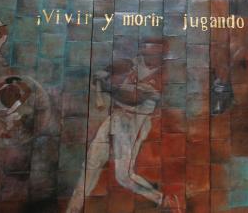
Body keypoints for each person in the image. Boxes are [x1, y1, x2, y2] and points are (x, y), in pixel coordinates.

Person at [66, 56, 179, 212]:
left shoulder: (156, 81)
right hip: (115, 119)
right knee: (91, 163)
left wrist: (106, 86)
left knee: (124, 176)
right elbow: (119, 66)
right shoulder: (135, 65)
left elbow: (132, 99)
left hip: (133, 126)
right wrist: (103, 74)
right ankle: (73, 209)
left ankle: (162, 199)